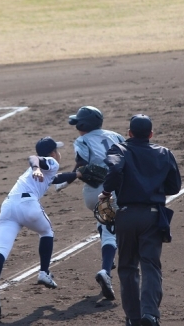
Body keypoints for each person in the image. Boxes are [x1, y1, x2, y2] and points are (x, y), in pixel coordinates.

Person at [99, 114, 182, 326]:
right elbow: (174, 187)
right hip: (153, 217)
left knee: (127, 267)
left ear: (129, 133)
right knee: (150, 265)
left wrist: (106, 192)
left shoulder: (119, 149)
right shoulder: (164, 153)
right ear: (151, 134)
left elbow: (115, 169)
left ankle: (133, 318)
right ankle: (150, 314)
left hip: (126, 216)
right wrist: (153, 187)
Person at [0, 137, 81, 319]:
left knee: (1, 248)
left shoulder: (44, 172)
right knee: (46, 232)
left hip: (8, 207)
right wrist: (37, 167)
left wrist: (77, 175)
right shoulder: (51, 162)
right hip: (28, 205)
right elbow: (33, 158)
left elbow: (55, 179)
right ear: (52, 153)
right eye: (57, 150)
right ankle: (44, 272)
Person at [64, 106, 125, 300]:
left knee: (106, 225)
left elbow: (82, 165)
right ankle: (106, 269)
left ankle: (107, 265)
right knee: (111, 230)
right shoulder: (116, 135)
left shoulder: (82, 141)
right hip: (117, 190)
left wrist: (68, 178)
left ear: (82, 125)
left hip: (94, 194)